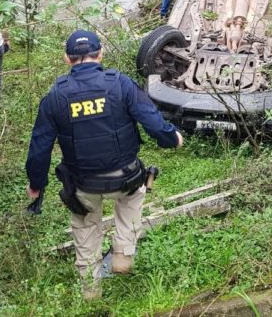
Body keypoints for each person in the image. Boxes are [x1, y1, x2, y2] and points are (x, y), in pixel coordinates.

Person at [25, 29, 184, 301]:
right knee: (133, 198)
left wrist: (36, 185)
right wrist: (172, 139)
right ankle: (122, 253)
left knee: (85, 226)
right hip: (126, 178)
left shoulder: (56, 97)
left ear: (67, 58)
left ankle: (91, 290)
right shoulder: (119, 84)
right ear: (100, 54)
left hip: (83, 183)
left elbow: (39, 148)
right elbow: (153, 121)